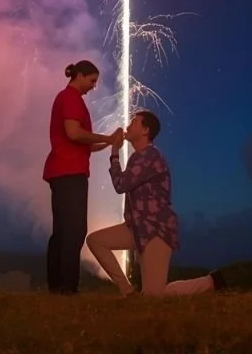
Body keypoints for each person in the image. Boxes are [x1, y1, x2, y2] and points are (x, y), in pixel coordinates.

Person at [86, 110, 227, 296]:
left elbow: (121, 185)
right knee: (96, 241)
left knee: (155, 294)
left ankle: (210, 282)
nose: (128, 125)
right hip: (137, 227)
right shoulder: (137, 157)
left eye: (134, 122)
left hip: (155, 230)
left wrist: (114, 152)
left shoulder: (150, 156)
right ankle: (127, 291)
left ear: (145, 131)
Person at [44, 60, 122, 294]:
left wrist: (108, 143)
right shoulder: (70, 99)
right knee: (74, 230)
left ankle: (56, 285)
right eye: (91, 81)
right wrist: (108, 139)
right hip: (69, 172)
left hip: (62, 170)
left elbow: (82, 144)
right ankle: (67, 287)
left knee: (62, 230)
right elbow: (74, 133)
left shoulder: (67, 98)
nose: (93, 86)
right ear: (79, 76)